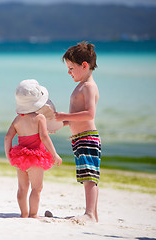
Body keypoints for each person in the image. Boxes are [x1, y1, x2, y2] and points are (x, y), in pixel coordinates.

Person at [55, 41, 101, 223]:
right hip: (79, 138)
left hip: (88, 137)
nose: (69, 72)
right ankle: (93, 215)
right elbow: (76, 116)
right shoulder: (81, 85)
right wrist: (61, 123)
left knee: (90, 176)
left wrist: (63, 115)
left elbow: (90, 113)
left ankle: (90, 213)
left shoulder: (89, 87)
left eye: (71, 68)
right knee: (86, 175)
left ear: (84, 66)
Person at [5, 79, 62, 218]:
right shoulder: (40, 118)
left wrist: (9, 155)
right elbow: (44, 137)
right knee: (37, 188)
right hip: (36, 159)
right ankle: (33, 215)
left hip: (20, 158)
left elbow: (8, 137)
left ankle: (23, 214)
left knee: (22, 188)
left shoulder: (17, 119)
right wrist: (54, 154)